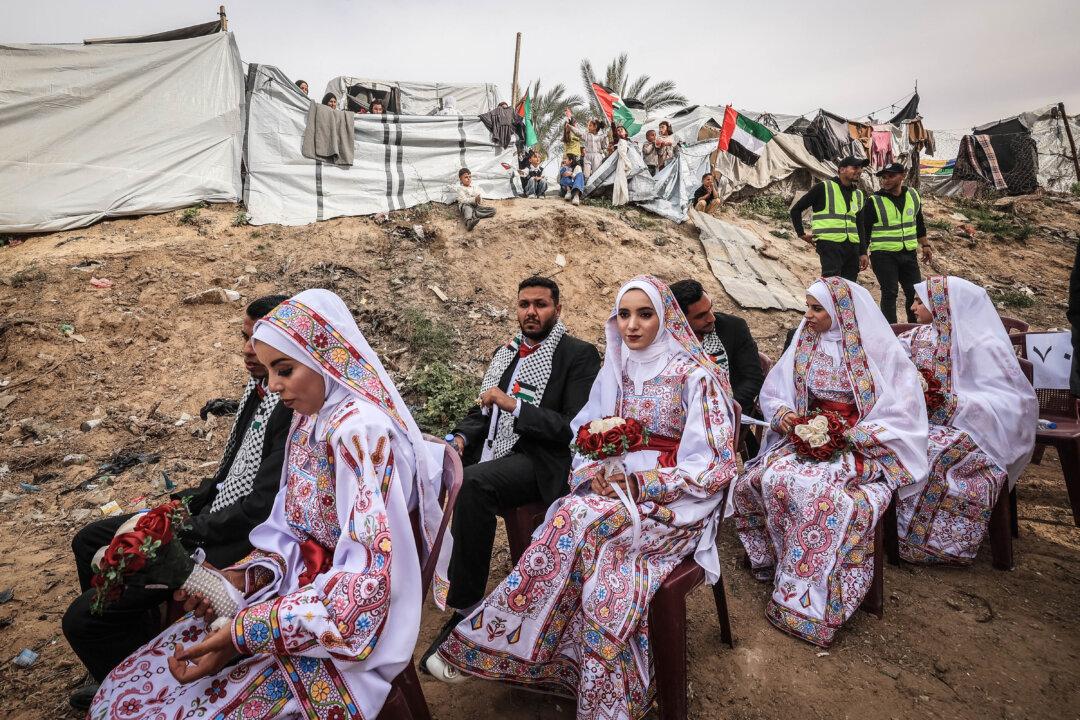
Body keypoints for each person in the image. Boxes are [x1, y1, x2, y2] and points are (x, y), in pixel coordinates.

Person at [89, 290, 446, 720]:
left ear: (324, 359)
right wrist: (241, 580)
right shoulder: (307, 419)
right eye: (272, 371)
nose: (274, 386)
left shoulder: (359, 432)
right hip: (299, 596)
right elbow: (293, 531)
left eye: (285, 369)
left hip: (346, 634)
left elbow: (363, 588)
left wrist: (241, 633)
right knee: (126, 688)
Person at [430, 275, 738, 720]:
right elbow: (585, 434)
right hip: (616, 485)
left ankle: (593, 679)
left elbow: (714, 463)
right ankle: (538, 649)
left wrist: (645, 484)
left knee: (588, 528)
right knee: (571, 515)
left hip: (678, 496)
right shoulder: (619, 367)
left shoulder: (696, 375)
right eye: (625, 315)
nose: (632, 326)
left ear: (666, 316)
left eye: (645, 314)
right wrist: (595, 472)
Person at [63, 295, 293, 711]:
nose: (246, 350)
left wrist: (186, 528)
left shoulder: (292, 406)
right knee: (88, 539)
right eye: (244, 338)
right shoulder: (259, 391)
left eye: (257, 341)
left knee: (81, 622)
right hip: (214, 515)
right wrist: (181, 506)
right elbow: (229, 475)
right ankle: (120, 652)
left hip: (235, 539)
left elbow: (259, 507)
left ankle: (136, 677)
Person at [730, 277, 928, 648]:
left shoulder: (876, 350)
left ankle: (809, 601)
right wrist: (787, 416)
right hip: (809, 437)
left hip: (858, 445)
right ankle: (778, 564)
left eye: (816, 308)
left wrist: (850, 434)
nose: (808, 316)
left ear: (840, 312)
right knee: (764, 479)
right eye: (807, 306)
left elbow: (903, 408)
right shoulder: (805, 343)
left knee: (823, 494)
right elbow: (776, 390)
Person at [418, 275, 601, 668]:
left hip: (544, 459)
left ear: (557, 308)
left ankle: (464, 608)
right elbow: (482, 411)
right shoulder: (508, 354)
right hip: (498, 449)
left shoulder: (578, 355)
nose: (531, 312)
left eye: (540, 304)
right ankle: (413, 582)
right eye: (524, 305)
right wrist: (461, 441)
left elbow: (572, 427)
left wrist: (515, 405)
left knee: (475, 485)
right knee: (429, 465)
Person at [896, 276, 1037, 564]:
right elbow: (890, 357)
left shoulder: (984, 346)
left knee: (931, 452)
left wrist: (954, 404)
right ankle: (891, 531)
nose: (912, 308)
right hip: (928, 420)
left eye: (920, 301)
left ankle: (928, 542)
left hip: (975, 428)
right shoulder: (920, 336)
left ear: (944, 305)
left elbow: (1011, 401)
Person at [670, 279, 764, 415]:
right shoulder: (668, 338)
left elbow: (752, 379)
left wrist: (722, 406)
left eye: (710, 309)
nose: (711, 318)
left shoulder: (733, 327)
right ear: (680, 319)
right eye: (701, 316)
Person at [859, 163, 933, 323]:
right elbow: (864, 230)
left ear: (902, 176)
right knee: (890, 292)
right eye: (884, 177)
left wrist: (925, 245)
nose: (886, 180)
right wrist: (863, 252)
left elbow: (918, 223)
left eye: (891, 176)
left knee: (914, 292)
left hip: (909, 254)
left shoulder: (913, 195)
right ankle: (890, 330)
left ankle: (913, 329)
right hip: (883, 255)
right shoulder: (874, 201)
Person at [789, 156, 871, 282]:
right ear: (842, 170)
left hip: (852, 246)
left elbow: (860, 225)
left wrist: (863, 252)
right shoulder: (823, 187)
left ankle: (842, 303)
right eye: (855, 167)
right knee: (832, 282)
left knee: (849, 284)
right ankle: (827, 302)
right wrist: (801, 233)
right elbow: (796, 209)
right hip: (829, 243)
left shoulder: (859, 194)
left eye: (860, 168)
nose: (859, 171)